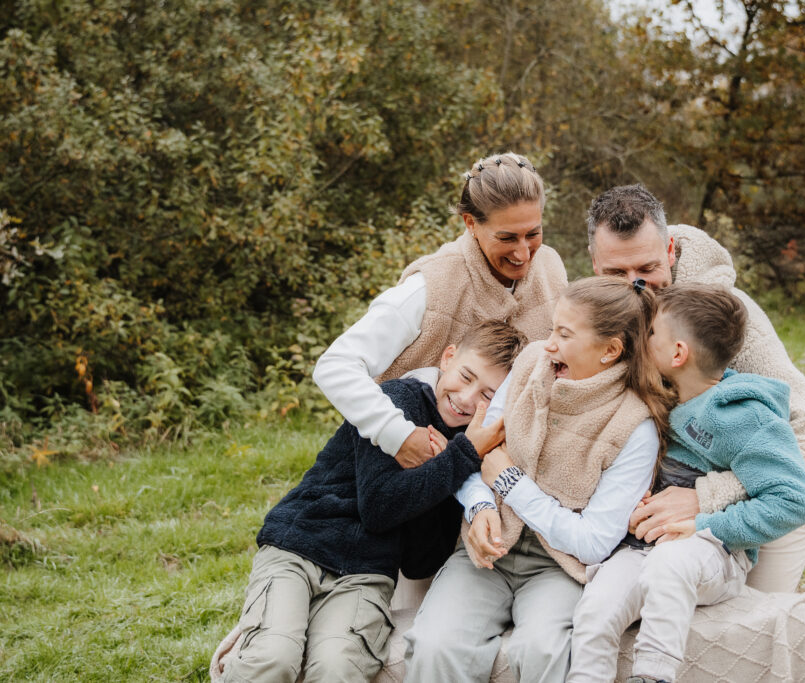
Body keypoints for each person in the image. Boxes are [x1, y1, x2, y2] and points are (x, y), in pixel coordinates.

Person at [211, 321, 526, 683]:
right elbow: (378, 508)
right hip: (299, 545)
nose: (469, 399)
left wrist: (451, 469)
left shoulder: (463, 454)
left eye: (488, 395)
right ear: (448, 357)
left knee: (337, 667)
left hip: (366, 573)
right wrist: (458, 458)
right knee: (274, 655)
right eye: (466, 376)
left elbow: (421, 560)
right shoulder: (399, 401)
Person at [402, 277, 674, 683]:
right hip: (488, 551)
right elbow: (475, 452)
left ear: (610, 350)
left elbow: (594, 542)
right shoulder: (531, 363)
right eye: (552, 330)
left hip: (559, 567)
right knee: (436, 645)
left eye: (564, 335)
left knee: (544, 650)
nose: (548, 344)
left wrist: (511, 483)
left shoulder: (635, 427)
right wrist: (478, 507)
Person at [586, 184, 805, 593]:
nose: (635, 286)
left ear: (670, 250)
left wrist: (707, 496)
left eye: (647, 269)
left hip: (759, 499)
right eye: (617, 273)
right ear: (594, 265)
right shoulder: (589, 317)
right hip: (652, 507)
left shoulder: (722, 319)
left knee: (748, 629)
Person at [568, 283, 805, 683]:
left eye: (650, 333)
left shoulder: (742, 416)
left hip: (710, 552)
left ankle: (653, 675)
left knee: (668, 566)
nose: (642, 338)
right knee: (596, 609)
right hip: (640, 547)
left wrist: (706, 524)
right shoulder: (663, 395)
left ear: (678, 353)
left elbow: (795, 500)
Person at [313, 152, 567, 471]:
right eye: (507, 237)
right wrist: (398, 436)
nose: (522, 252)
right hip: (406, 473)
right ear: (471, 223)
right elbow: (336, 365)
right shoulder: (431, 286)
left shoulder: (552, 271)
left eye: (533, 234)